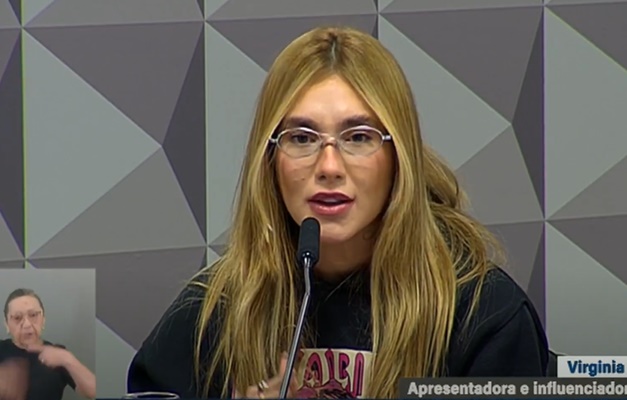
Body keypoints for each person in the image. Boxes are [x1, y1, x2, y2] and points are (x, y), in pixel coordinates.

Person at [126, 25, 548, 399]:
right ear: (269, 159)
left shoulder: (483, 315)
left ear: (398, 157)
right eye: (302, 138)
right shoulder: (216, 310)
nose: (329, 166)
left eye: (359, 137)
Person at [0, 288, 96, 400]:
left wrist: (67, 359)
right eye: (17, 317)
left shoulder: (58, 354)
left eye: (33, 315)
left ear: (43, 319)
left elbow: (94, 392)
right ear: (7, 324)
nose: (27, 324)